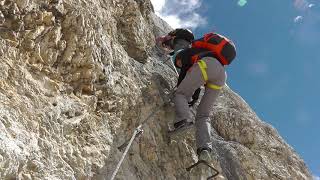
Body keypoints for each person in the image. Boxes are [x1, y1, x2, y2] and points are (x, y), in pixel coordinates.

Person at [159, 29, 237, 162]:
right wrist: (193, 98)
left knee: (180, 94)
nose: (178, 65)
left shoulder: (183, 55)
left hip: (207, 66)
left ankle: (183, 121)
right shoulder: (203, 52)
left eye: (177, 64)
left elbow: (184, 77)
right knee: (203, 114)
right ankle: (205, 150)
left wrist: (183, 92)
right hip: (221, 75)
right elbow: (196, 83)